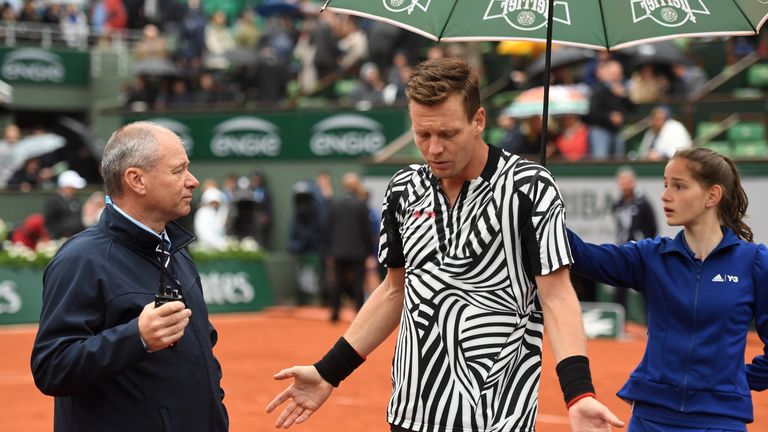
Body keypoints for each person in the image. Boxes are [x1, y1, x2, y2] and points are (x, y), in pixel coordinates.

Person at [266, 58, 622, 432]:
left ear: (479, 120)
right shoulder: (403, 189)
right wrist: (328, 371)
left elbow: (557, 296)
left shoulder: (530, 187)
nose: (434, 149)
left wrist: (579, 393)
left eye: (448, 134)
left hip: (498, 419)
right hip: (411, 414)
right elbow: (393, 291)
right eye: (423, 135)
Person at [30, 122, 228, 431]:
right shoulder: (81, 259)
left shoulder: (175, 250)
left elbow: (202, 349)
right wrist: (136, 337)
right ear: (136, 180)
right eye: (178, 172)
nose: (192, 181)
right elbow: (52, 367)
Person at [567, 148, 768, 431]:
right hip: (650, 418)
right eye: (665, 184)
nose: (665, 195)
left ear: (712, 196)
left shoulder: (755, 262)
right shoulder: (652, 256)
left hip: (721, 419)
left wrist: (736, 379)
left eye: (679, 186)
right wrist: (541, 216)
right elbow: (583, 256)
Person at [325, 172, 373, 322]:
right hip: (358, 252)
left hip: (338, 251)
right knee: (358, 282)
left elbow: (328, 229)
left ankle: (334, 314)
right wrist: (369, 252)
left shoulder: (334, 204)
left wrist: (329, 251)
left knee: (337, 281)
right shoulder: (361, 204)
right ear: (356, 186)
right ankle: (358, 314)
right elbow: (367, 231)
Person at [611, 166, 657, 318]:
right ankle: (619, 324)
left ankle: (650, 325)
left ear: (633, 182)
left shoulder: (643, 203)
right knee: (619, 287)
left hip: (640, 251)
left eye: (627, 182)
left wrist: (645, 244)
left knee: (646, 288)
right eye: (621, 182)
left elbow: (652, 227)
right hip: (622, 250)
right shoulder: (617, 204)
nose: (624, 185)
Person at [43, 170, 87, 239]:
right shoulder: (54, 200)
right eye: (72, 187)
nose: (75, 189)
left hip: (76, 238)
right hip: (59, 239)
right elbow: (50, 222)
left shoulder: (76, 199)